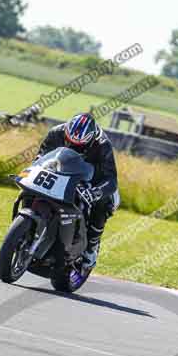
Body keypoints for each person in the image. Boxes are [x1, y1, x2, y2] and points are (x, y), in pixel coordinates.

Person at [36, 113, 119, 270]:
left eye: (79, 146)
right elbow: (41, 154)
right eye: (69, 142)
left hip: (91, 179)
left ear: (90, 140)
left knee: (104, 203)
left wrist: (95, 192)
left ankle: (91, 249)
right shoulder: (57, 132)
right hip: (60, 171)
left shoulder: (102, 145)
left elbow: (111, 179)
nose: (73, 146)